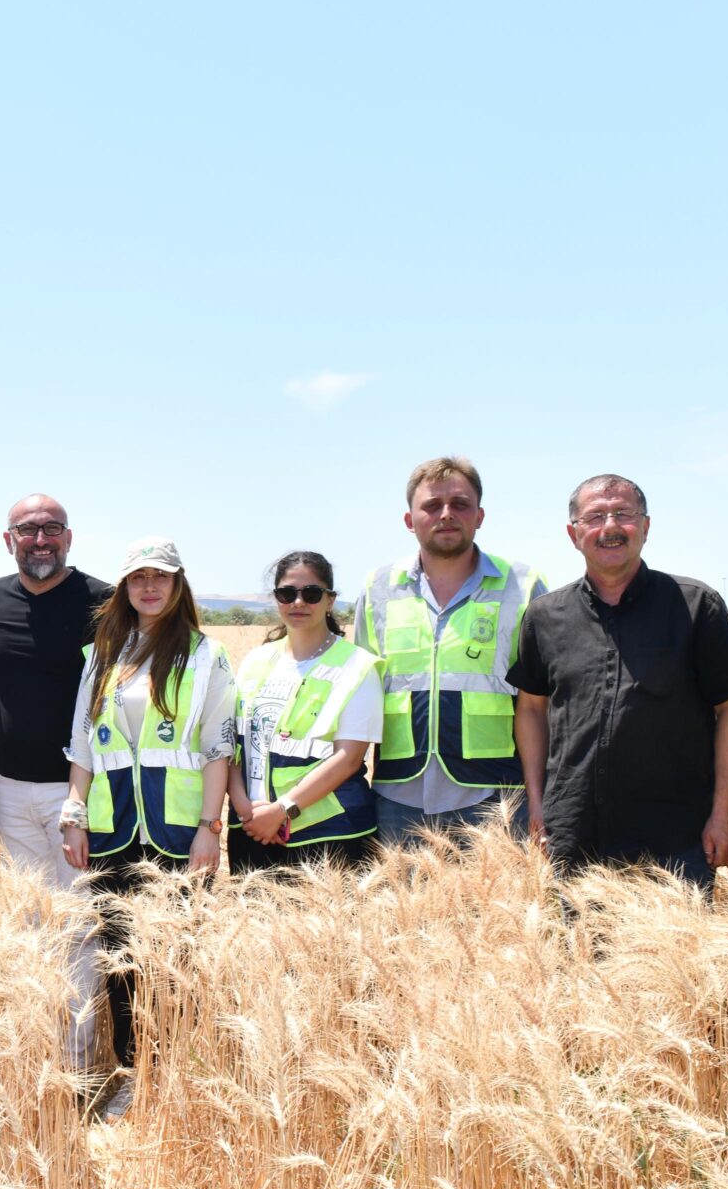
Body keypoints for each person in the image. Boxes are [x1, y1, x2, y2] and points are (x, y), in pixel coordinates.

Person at [58, 537, 234, 1115]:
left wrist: (211, 826)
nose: (149, 587)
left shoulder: (205, 655)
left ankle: (179, 1081)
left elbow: (217, 744)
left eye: (161, 577)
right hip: (113, 834)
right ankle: (135, 1078)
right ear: (124, 588)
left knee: (175, 961)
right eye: (138, 578)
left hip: (178, 832)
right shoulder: (102, 656)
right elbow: (84, 744)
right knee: (120, 964)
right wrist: (75, 813)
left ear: (178, 585)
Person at [509, 477, 728, 890]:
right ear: (574, 533)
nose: (610, 526)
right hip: (574, 833)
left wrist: (725, 812)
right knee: (574, 954)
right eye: (595, 516)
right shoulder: (544, 617)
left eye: (623, 514)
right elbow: (531, 709)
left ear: (646, 526)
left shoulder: (696, 606)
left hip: (677, 839)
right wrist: (536, 800)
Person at [355, 456, 544, 845]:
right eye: (431, 506)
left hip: (496, 793)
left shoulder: (523, 585)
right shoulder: (378, 588)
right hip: (397, 794)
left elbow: (541, 703)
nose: (446, 514)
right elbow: (358, 696)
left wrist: (540, 798)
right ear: (409, 520)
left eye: (460, 504)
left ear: (479, 515)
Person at [0, 493, 112, 890]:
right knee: (33, 908)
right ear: (9, 540)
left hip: (78, 786)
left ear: (68, 538)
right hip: (10, 787)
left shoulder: (103, 601)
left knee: (83, 906)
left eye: (51, 528)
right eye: (27, 529)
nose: (41, 539)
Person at [227, 551, 384, 872]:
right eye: (287, 593)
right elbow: (232, 745)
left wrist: (281, 811)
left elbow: (350, 758)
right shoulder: (255, 661)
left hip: (331, 832)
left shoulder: (358, 666)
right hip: (251, 829)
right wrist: (246, 809)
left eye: (311, 594)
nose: (298, 602)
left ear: (330, 600)